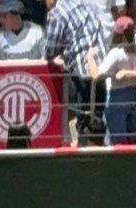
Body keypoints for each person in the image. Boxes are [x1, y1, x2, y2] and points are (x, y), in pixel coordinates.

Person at [45, 0, 111, 141]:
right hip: (101, 70)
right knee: (98, 120)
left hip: (80, 75)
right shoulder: (87, 3)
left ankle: (82, 154)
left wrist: (58, 55)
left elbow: (50, 51)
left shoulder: (57, 13)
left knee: (79, 121)